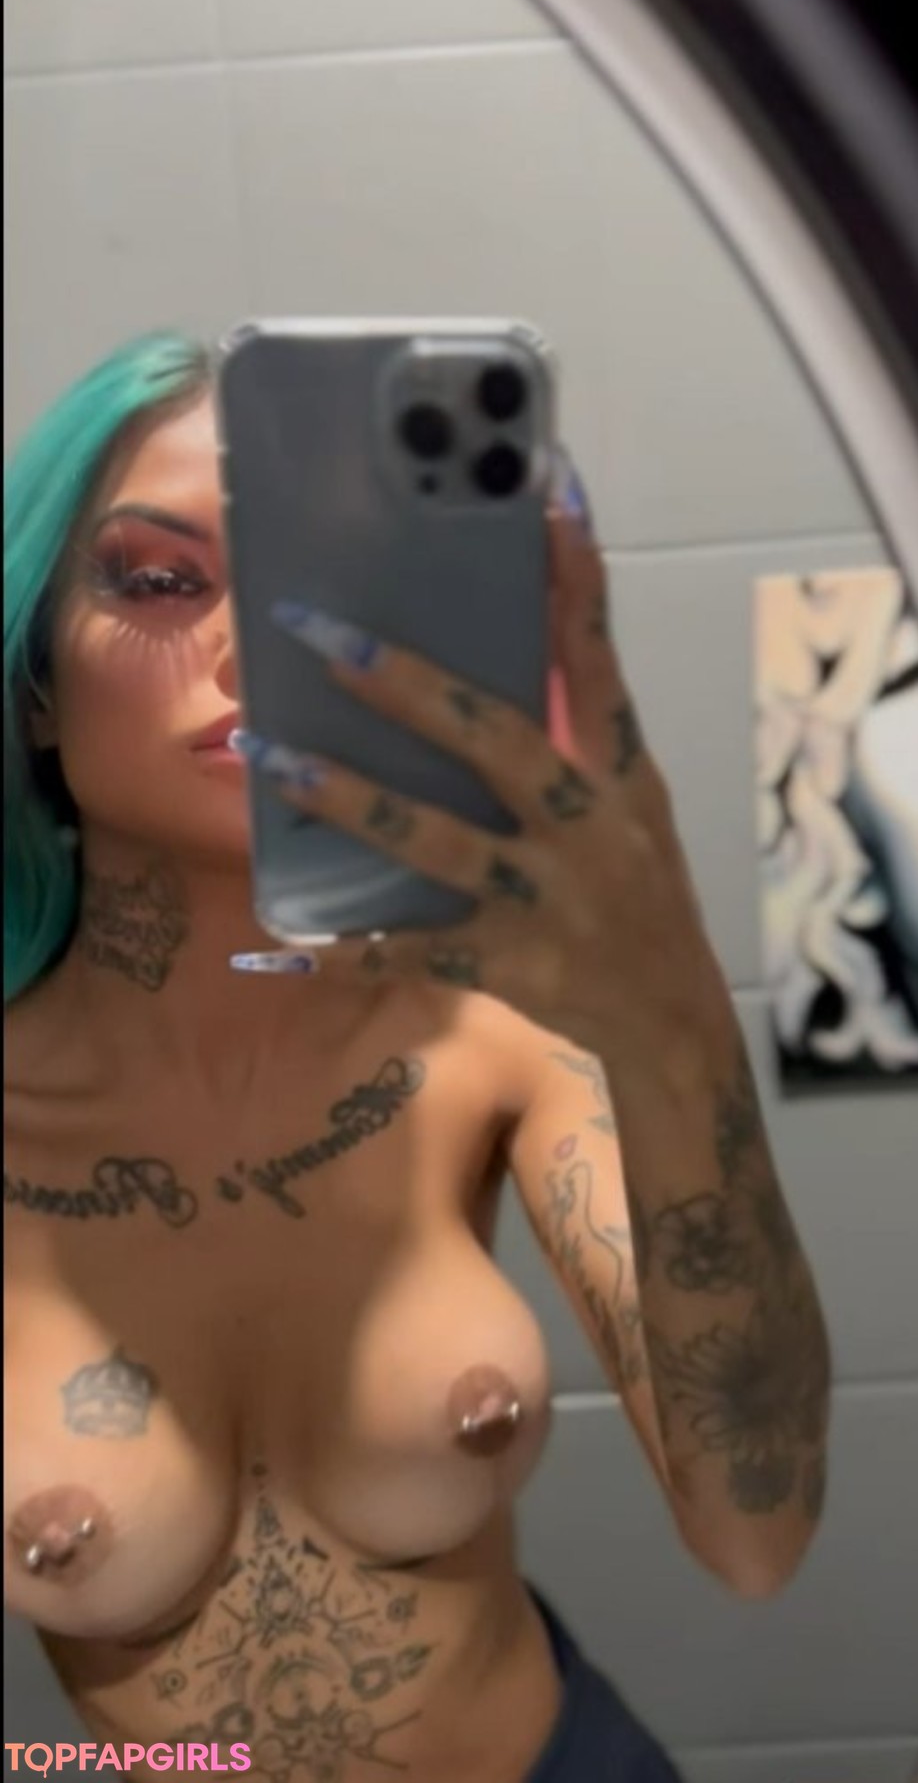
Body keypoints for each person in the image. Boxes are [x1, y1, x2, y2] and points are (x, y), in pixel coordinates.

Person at [4, 334, 831, 1783]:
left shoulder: (492, 1031)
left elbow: (755, 1534)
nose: (247, 649)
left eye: (305, 592)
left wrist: (671, 1012)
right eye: (159, 580)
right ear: (32, 688)